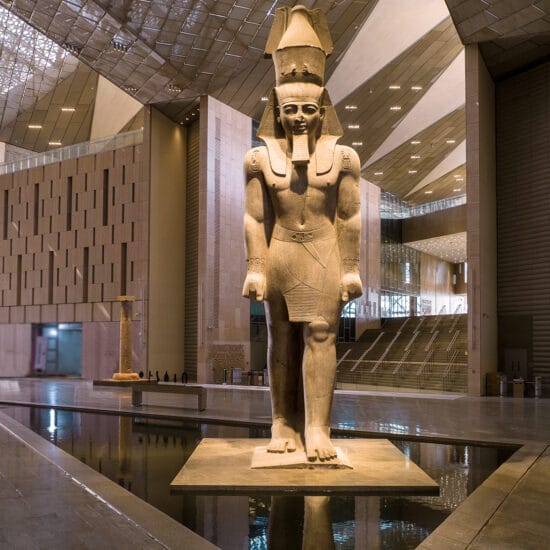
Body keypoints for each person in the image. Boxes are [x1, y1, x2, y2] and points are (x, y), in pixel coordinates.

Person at [242, 6, 362, 462]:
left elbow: (349, 216)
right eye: (289, 110)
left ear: (322, 111)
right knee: (281, 337)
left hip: (325, 251)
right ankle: (282, 422)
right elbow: (255, 218)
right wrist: (256, 268)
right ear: (276, 111)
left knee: (321, 333)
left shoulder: (344, 158)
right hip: (281, 254)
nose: (298, 118)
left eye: (308, 110)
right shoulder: (258, 160)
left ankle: (317, 427)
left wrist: (351, 269)